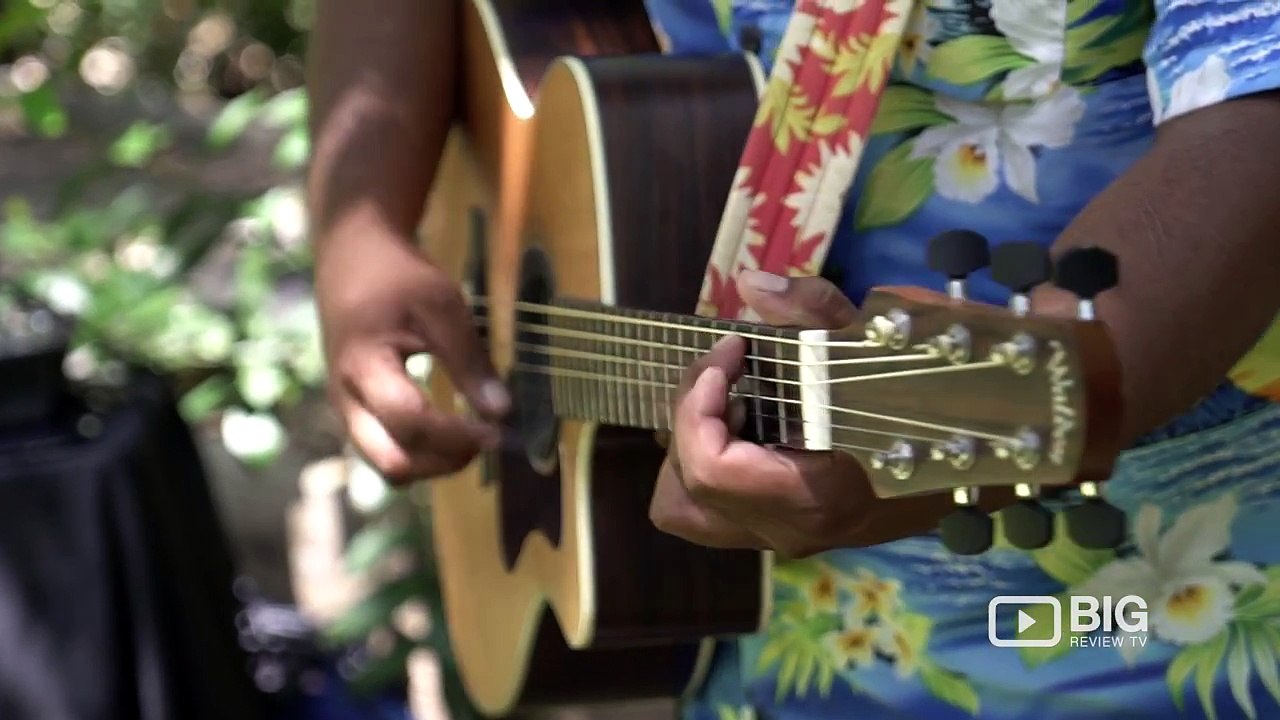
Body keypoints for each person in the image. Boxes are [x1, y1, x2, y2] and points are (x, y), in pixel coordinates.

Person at [306, 1, 1280, 718]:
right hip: (748, 650)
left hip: (1144, 628)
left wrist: (963, 431)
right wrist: (358, 227)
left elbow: (1257, 117)